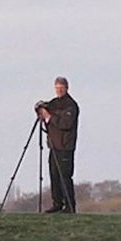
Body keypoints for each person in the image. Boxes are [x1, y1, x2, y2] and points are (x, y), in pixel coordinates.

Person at [37, 76, 79, 213]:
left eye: (61, 88)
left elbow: (65, 124)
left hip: (65, 146)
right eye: (57, 88)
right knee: (54, 175)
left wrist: (49, 117)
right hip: (54, 146)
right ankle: (57, 203)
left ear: (67, 88)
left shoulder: (71, 105)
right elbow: (42, 110)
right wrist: (40, 109)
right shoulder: (54, 103)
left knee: (65, 176)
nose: (59, 90)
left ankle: (69, 205)